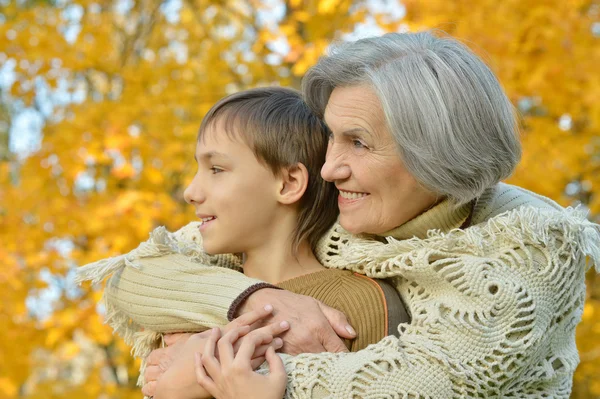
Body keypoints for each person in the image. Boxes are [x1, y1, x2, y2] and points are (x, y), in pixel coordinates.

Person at [85, 30, 599, 398]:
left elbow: (436, 380)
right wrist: (259, 300)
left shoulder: (531, 239)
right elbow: (138, 273)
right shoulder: (345, 204)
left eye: (358, 142)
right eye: (331, 136)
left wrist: (210, 370)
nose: (329, 167)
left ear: (435, 153)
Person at [77, 87, 408, 398]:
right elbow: (125, 276)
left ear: (289, 183)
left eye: (216, 169)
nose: (190, 192)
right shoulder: (192, 304)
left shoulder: (359, 305)